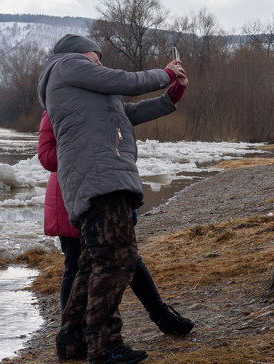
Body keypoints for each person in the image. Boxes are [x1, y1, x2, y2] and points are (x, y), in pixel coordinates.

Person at [37, 33, 188, 364]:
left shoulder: (86, 93)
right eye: (97, 56)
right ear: (78, 53)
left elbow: (129, 112)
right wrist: (164, 73)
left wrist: (172, 93)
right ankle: (105, 346)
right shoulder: (67, 65)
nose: (101, 63)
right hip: (101, 180)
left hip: (100, 180)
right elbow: (124, 81)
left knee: (93, 264)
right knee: (117, 262)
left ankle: (72, 342)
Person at [37, 108, 193, 335]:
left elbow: (120, 146)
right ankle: (71, 335)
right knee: (74, 265)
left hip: (109, 191)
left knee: (129, 258)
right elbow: (46, 156)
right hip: (70, 196)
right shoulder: (56, 106)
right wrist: (83, 152)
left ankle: (162, 317)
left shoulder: (105, 100)